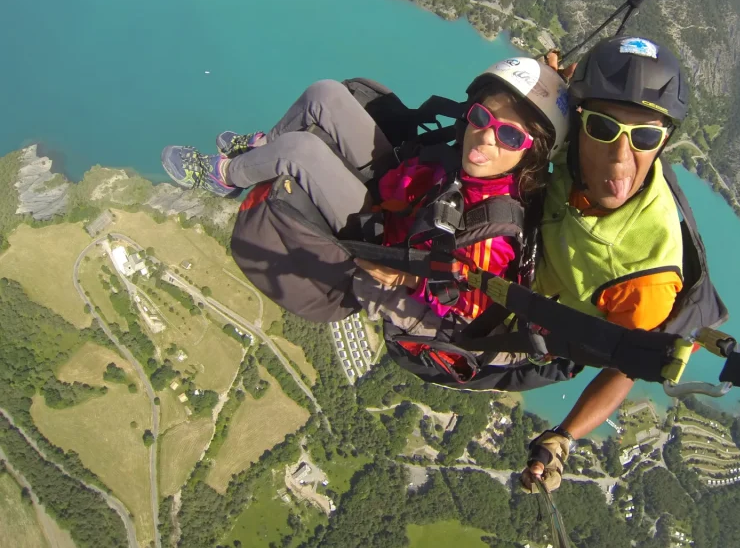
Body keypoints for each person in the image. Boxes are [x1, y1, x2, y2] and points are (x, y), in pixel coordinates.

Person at [160, 61, 570, 367]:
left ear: (529, 156)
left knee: (300, 153)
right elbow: (511, 117)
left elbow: (473, 303)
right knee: (324, 95)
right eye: (482, 117)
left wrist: (409, 276)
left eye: (511, 136)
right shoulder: (478, 163)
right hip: (402, 185)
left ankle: (224, 176)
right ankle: (262, 148)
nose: (486, 135)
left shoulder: (492, 233)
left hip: (382, 235)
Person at [519, 34, 691, 494]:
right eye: (603, 129)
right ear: (579, 122)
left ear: (664, 141)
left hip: (530, 335)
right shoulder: (571, 144)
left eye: (646, 137)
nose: (620, 158)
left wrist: (563, 436)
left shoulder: (646, 275)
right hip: (515, 262)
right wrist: (534, 93)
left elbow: (626, 365)